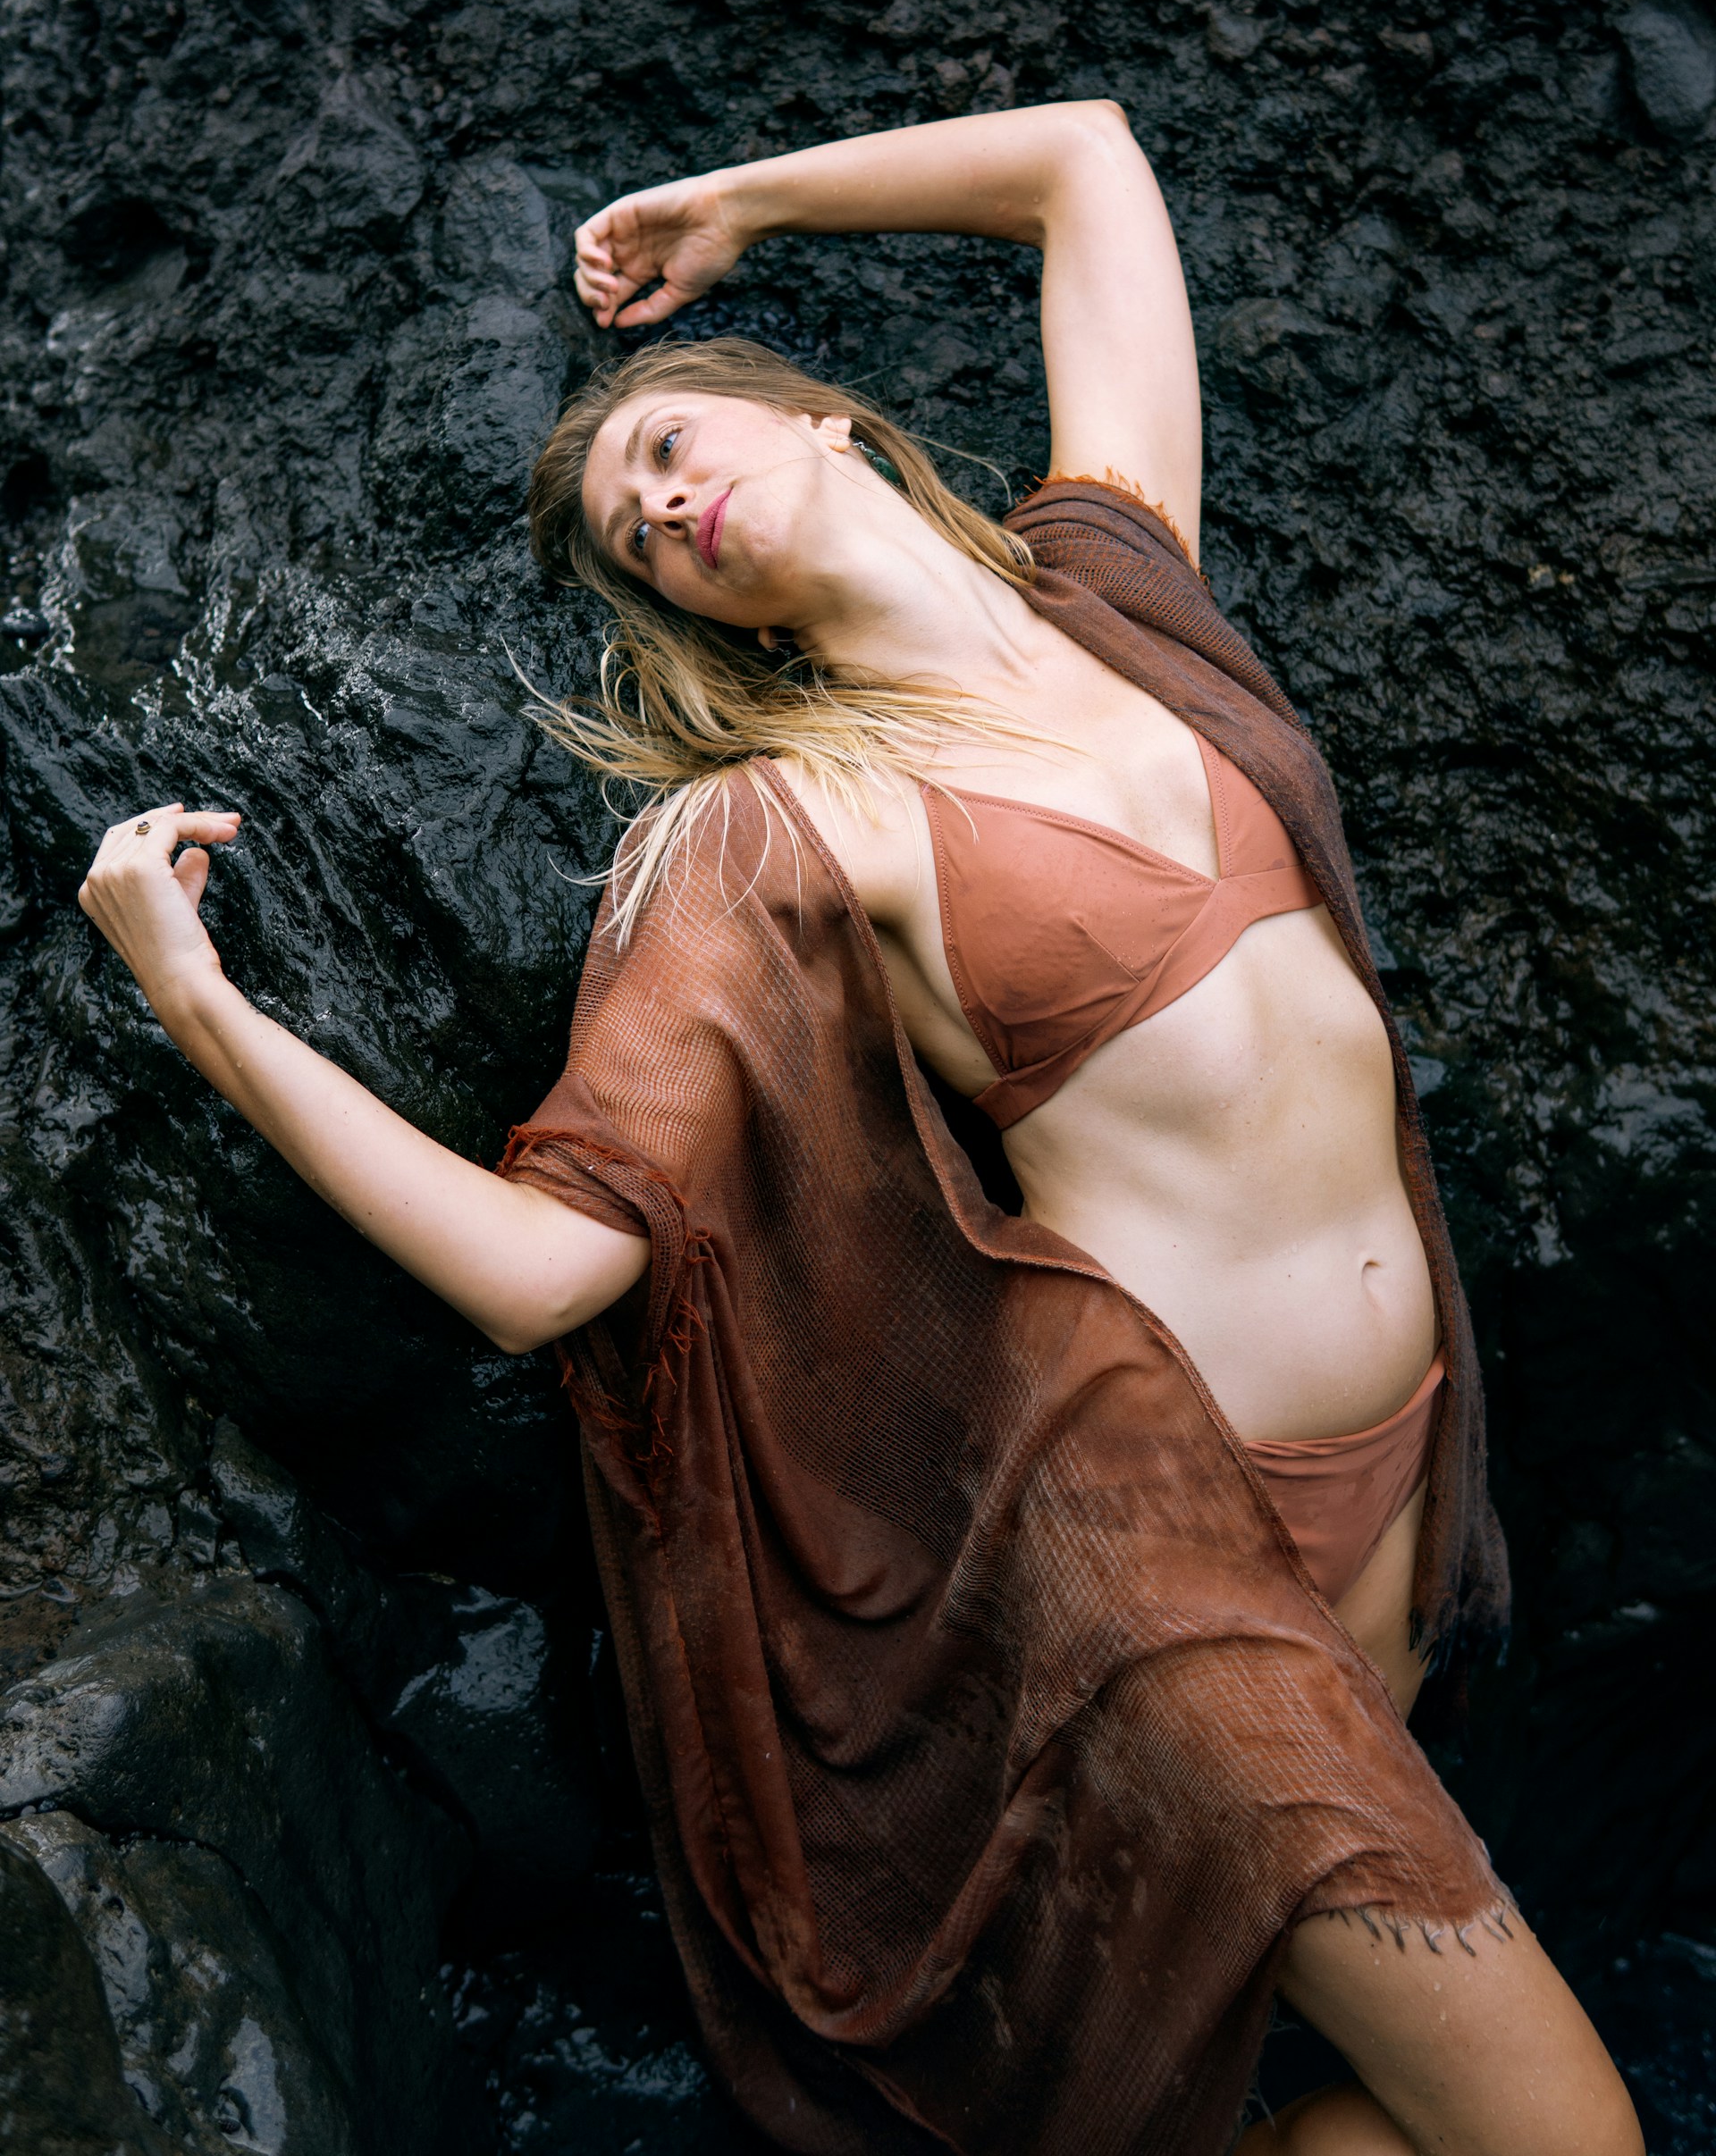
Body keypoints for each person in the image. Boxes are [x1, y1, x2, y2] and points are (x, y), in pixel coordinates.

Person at [80, 104, 1640, 2156]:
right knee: (1562, 2138)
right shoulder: (779, 821)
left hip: (1404, 1478)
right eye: (640, 538)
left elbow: (1087, 164)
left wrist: (749, 196)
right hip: (1168, 1545)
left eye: (671, 450)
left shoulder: (1113, 593)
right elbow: (550, 1272)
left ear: (812, 420)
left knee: (1300, 2090)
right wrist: (204, 1008)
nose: (667, 509)